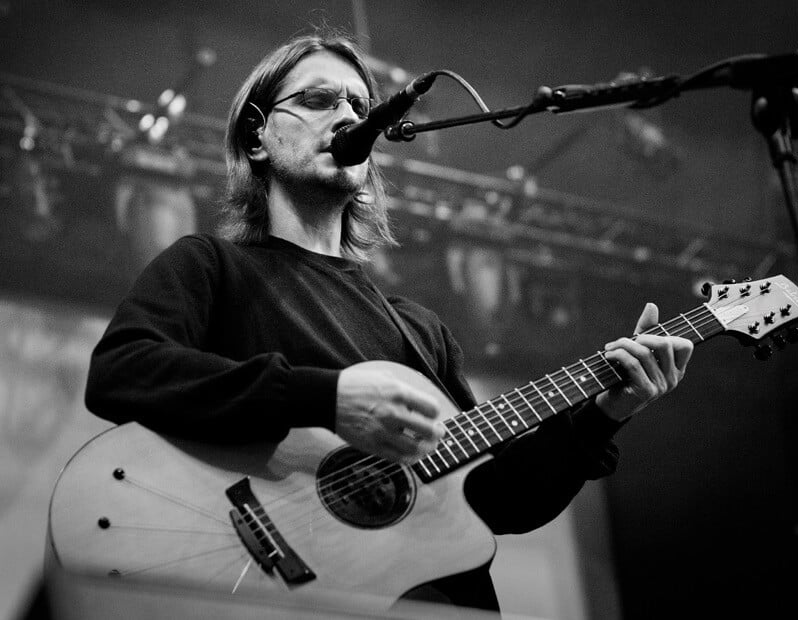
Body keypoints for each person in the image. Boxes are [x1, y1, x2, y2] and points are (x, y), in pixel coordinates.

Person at [85, 32, 694, 613]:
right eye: (318, 100)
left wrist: (600, 416)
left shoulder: (419, 331)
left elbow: (495, 502)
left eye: (359, 106)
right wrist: (327, 398)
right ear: (257, 137)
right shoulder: (210, 267)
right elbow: (121, 372)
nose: (348, 117)